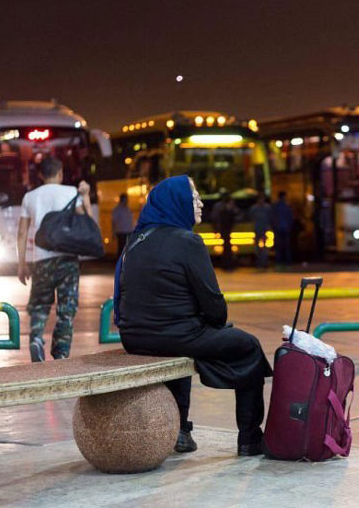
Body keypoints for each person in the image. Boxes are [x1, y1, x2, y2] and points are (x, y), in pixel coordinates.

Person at [115, 175, 273, 456]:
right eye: (194, 197)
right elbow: (215, 307)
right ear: (177, 203)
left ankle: (180, 430)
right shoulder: (188, 241)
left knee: (186, 341)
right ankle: (250, 437)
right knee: (248, 346)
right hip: (175, 336)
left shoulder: (135, 240)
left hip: (134, 337)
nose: (200, 203)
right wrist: (212, 323)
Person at [17, 156, 92, 362]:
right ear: (60, 173)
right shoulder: (71, 192)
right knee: (67, 308)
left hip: (41, 259)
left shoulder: (30, 197)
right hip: (67, 258)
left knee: (40, 304)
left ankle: (36, 338)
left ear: (40, 175)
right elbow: (85, 222)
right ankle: (60, 352)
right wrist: (85, 197)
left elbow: (22, 232)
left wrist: (22, 264)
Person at [212, 191, 238, 269]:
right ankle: (227, 264)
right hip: (224, 229)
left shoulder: (224, 206)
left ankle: (227, 264)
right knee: (227, 247)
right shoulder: (222, 207)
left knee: (227, 247)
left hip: (226, 229)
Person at [249, 194, 273, 268]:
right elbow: (251, 217)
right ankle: (259, 262)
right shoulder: (254, 208)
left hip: (264, 230)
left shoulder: (267, 208)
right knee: (257, 247)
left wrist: (269, 227)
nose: (261, 201)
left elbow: (270, 218)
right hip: (257, 230)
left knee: (265, 247)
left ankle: (264, 262)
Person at [272, 191, 294, 266]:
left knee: (279, 246)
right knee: (286, 246)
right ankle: (286, 261)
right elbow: (290, 217)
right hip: (284, 228)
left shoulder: (276, 206)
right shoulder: (286, 206)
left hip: (279, 228)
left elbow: (273, 218)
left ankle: (280, 261)